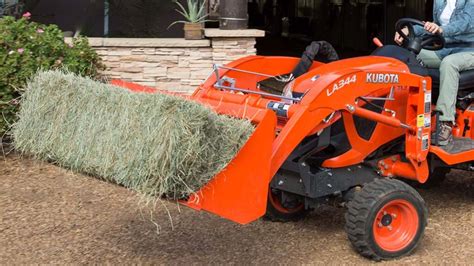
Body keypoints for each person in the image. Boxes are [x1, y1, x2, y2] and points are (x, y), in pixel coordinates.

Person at [395, 0, 474, 146]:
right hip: (445, 49)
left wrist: (442, 30)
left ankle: (445, 123)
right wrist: (409, 29)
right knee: (411, 56)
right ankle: (401, 112)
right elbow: (432, 26)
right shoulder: (439, 1)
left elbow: (467, 23)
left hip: (469, 50)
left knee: (449, 64)